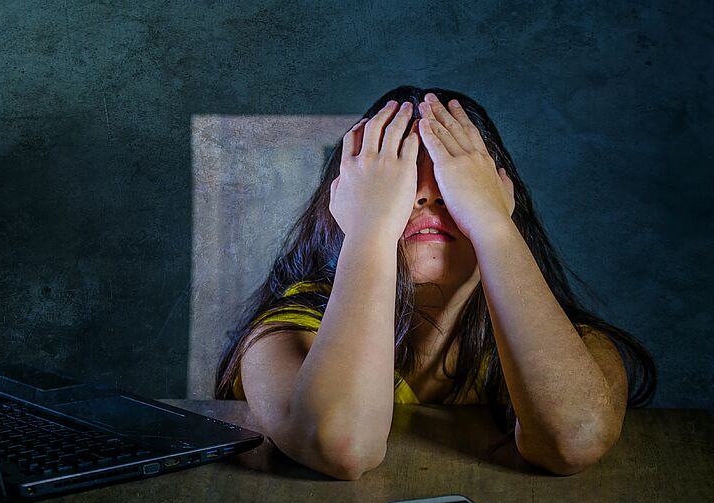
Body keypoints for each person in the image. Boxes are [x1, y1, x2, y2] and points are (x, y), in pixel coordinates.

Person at [215, 86, 656, 480]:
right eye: (398, 177)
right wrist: (371, 229)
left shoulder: (571, 345)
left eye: (455, 175)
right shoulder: (283, 336)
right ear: (346, 203)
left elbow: (573, 440)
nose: (429, 194)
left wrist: (491, 224)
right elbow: (340, 445)